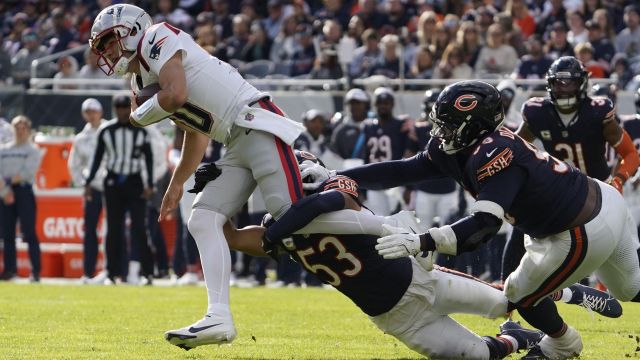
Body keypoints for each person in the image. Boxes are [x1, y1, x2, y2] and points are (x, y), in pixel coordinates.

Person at [303, 80, 640, 359]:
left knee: (519, 294)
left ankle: (562, 345)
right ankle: (565, 295)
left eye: (450, 124)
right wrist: (338, 175)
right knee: (631, 289)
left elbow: (484, 225)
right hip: (602, 202)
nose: (441, 131)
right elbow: (403, 169)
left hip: (578, 230)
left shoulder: (495, 152)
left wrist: (423, 241)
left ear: (475, 127)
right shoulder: (460, 147)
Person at [88, 4, 352, 349]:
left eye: (109, 41)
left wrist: (138, 117)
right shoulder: (144, 80)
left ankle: (385, 229)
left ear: (132, 29)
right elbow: (195, 134)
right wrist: (177, 182)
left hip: (255, 123)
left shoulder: (157, 36)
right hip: (233, 142)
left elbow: (176, 95)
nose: (107, 51)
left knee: (292, 220)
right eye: (102, 47)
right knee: (203, 220)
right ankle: (219, 317)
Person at [84, 95, 155, 285]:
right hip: (113, 182)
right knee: (113, 229)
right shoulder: (106, 130)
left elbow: (148, 159)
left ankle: (147, 272)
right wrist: (88, 182)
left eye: (126, 107)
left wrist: (149, 185)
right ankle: (111, 272)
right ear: (114, 109)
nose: (123, 111)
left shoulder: (141, 130)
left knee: (139, 228)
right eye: (119, 108)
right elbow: (97, 158)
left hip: (134, 182)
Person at [67, 98, 107, 283]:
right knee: (90, 230)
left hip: (111, 185)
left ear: (100, 112)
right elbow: (74, 165)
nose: (92, 115)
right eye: (88, 112)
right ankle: (88, 271)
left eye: (94, 111)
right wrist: (84, 184)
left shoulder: (109, 130)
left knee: (113, 229)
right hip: (92, 188)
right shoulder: (80, 138)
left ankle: (112, 270)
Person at [0, 116, 43, 282]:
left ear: (28, 129)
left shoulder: (33, 150)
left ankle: (36, 272)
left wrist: (8, 182)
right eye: (17, 127)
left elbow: (27, 172)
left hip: (24, 191)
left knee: (30, 232)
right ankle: (10, 270)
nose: (20, 130)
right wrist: (5, 191)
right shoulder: (3, 150)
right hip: (5, 193)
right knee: (7, 234)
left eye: (23, 127)